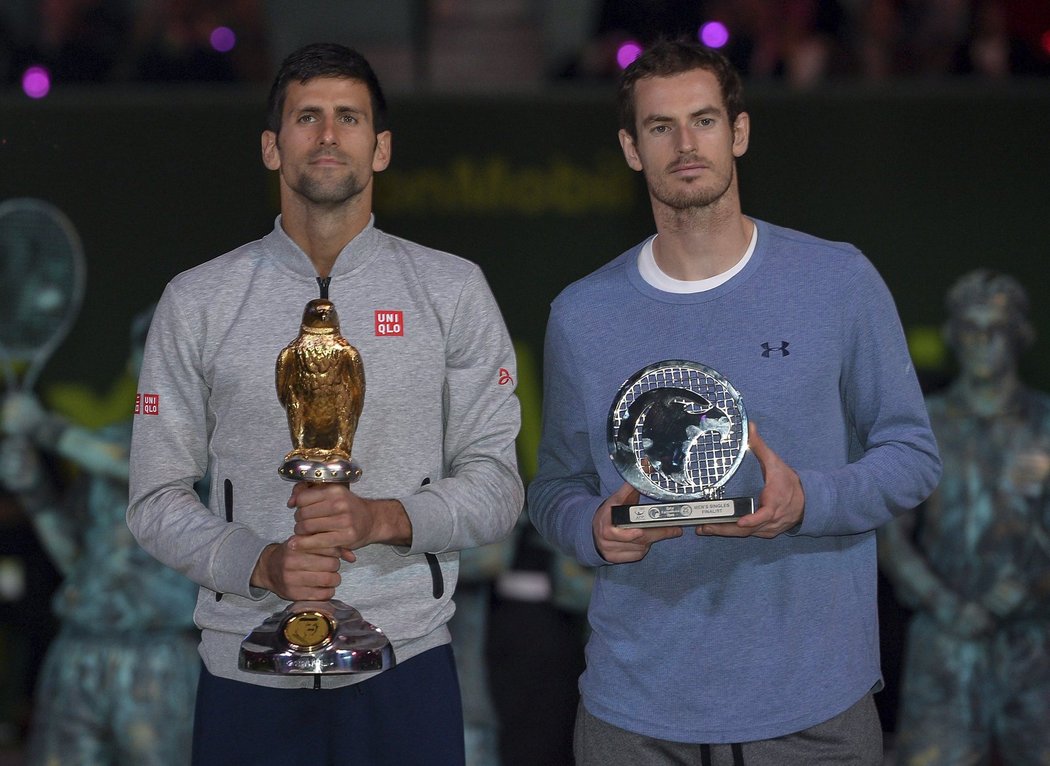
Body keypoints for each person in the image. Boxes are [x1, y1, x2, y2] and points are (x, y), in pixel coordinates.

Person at [527, 39, 941, 766]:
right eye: (661, 127)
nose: (686, 144)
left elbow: (912, 457)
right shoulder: (582, 315)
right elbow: (553, 487)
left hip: (814, 711)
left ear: (739, 132)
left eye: (705, 120)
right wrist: (591, 530)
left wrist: (806, 501)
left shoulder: (837, 281)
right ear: (631, 148)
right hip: (636, 714)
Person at [127, 42, 523, 766]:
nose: (329, 135)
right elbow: (153, 498)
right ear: (273, 148)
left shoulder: (451, 291)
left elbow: (498, 487)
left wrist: (386, 519)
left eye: (349, 117)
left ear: (382, 148)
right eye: (307, 118)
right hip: (245, 666)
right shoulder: (199, 300)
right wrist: (258, 563)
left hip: (404, 665)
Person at [0, 305, 199, 766]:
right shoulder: (101, 444)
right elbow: (76, 559)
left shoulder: (217, 449)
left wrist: (42, 428)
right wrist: (34, 491)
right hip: (79, 650)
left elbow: (139, 466)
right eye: (149, 352)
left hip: (158, 659)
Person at [878, 269, 1050, 766]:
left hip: (1032, 645)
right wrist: (949, 606)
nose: (980, 342)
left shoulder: (1044, 426)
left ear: (1020, 336)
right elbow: (892, 534)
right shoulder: (921, 425)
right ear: (953, 335)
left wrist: (1032, 587)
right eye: (968, 328)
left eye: (994, 328)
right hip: (945, 642)